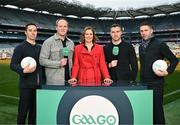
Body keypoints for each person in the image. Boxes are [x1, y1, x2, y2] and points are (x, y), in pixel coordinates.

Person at [139, 22, 178, 124]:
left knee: (157, 111)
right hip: (143, 83)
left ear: (151, 31)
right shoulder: (141, 46)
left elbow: (174, 60)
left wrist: (167, 72)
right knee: (147, 111)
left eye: (146, 30)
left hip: (156, 83)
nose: (143, 33)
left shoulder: (160, 44)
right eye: (141, 31)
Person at [10, 23, 44, 124]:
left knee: (34, 113)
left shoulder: (40, 48)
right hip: (26, 85)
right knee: (23, 112)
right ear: (25, 32)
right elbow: (13, 65)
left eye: (35, 30)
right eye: (30, 30)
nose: (33, 33)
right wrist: (23, 70)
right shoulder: (20, 48)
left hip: (38, 86)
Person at [39, 18, 74, 85]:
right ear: (56, 28)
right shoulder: (48, 42)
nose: (62, 28)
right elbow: (42, 61)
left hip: (69, 81)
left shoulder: (71, 43)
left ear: (67, 28)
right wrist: (58, 63)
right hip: (54, 82)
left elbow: (71, 61)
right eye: (60, 26)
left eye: (65, 26)